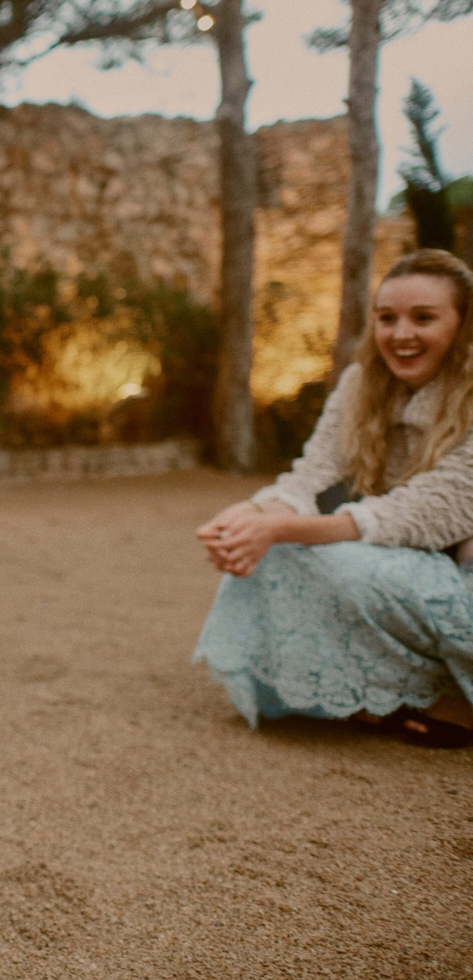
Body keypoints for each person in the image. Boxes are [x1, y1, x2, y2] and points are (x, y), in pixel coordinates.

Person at [194, 249, 473, 748]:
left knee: (323, 557)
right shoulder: (360, 383)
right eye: (386, 318)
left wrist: (279, 529)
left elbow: (421, 513)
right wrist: (252, 516)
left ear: (464, 325)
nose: (400, 334)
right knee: (271, 557)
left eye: (423, 318)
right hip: (404, 552)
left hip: (458, 563)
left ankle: (450, 695)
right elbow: (312, 477)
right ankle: (369, 688)